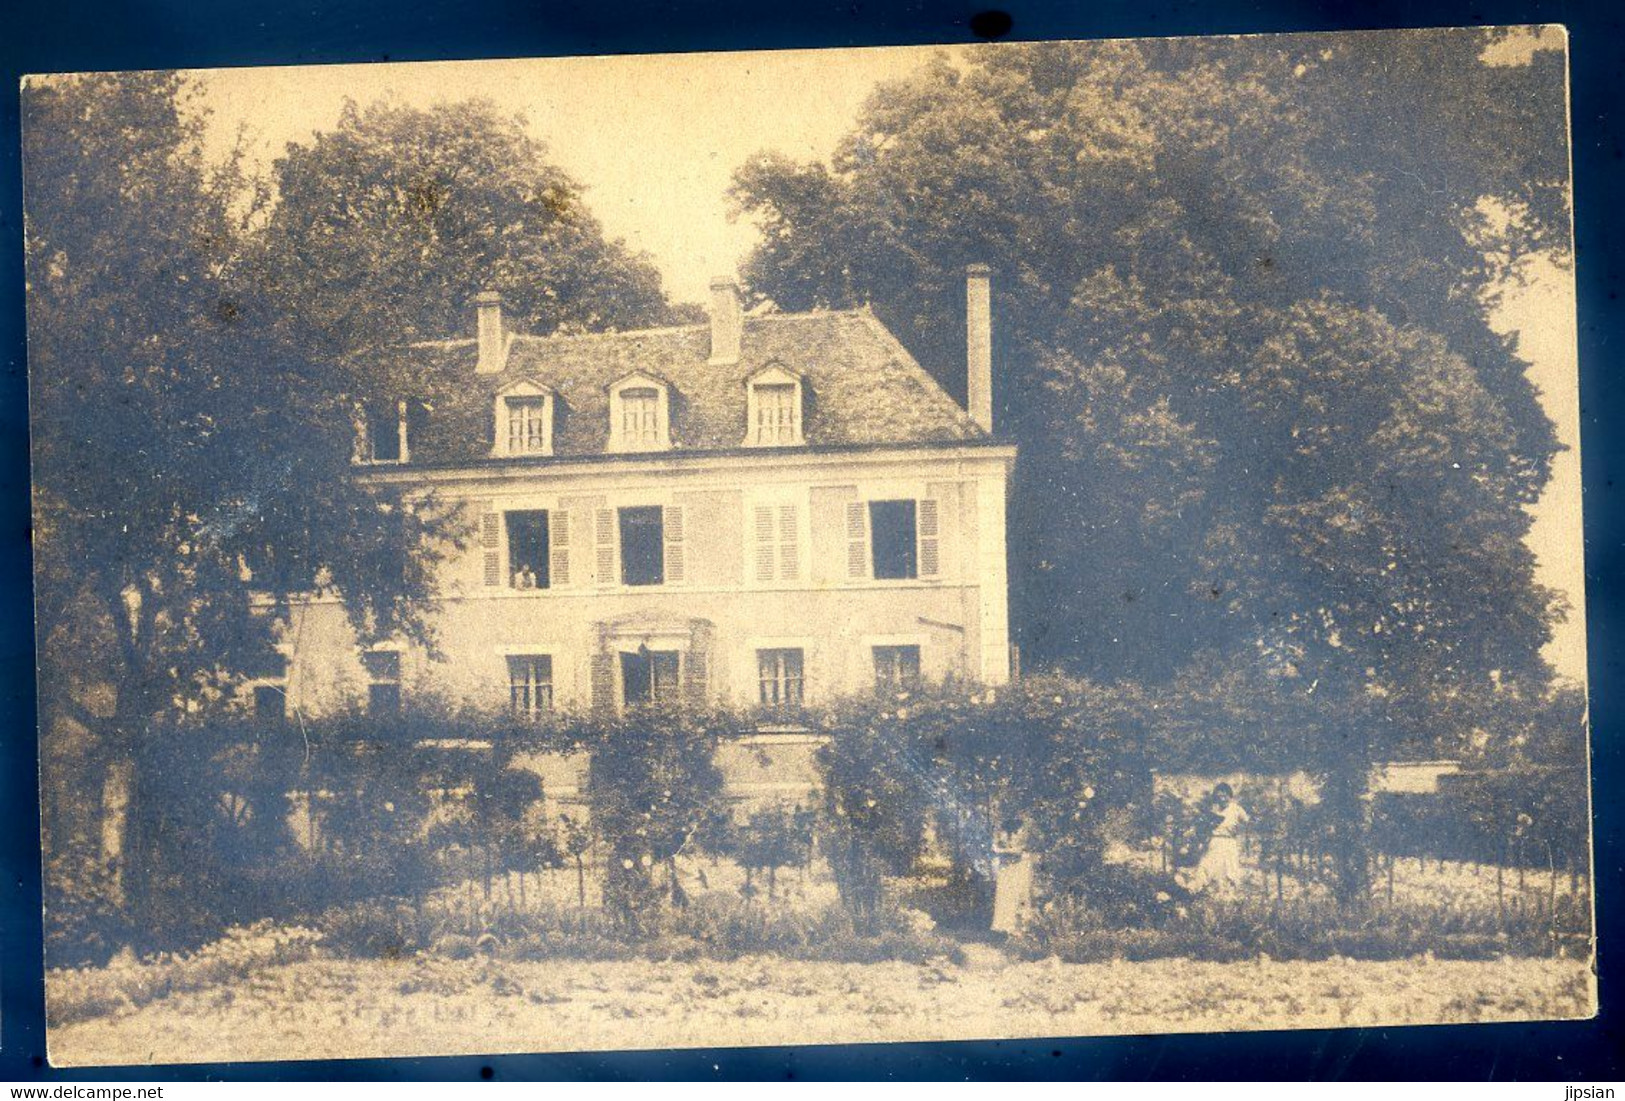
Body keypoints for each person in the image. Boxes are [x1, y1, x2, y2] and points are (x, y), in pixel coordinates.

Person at [1180, 783, 1250, 894]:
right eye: (1218, 796)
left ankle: (1226, 896)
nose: (1222, 799)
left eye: (1224, 796)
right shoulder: (1213, 809)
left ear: (1229, 795)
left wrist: (1239, 835)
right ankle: (1196, 890)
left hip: (1228, 842)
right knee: (1206, 865)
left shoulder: (1236, 809)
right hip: (1214, 841)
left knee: (1228, 869)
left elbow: (1247, 823)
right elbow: (1204, 826)